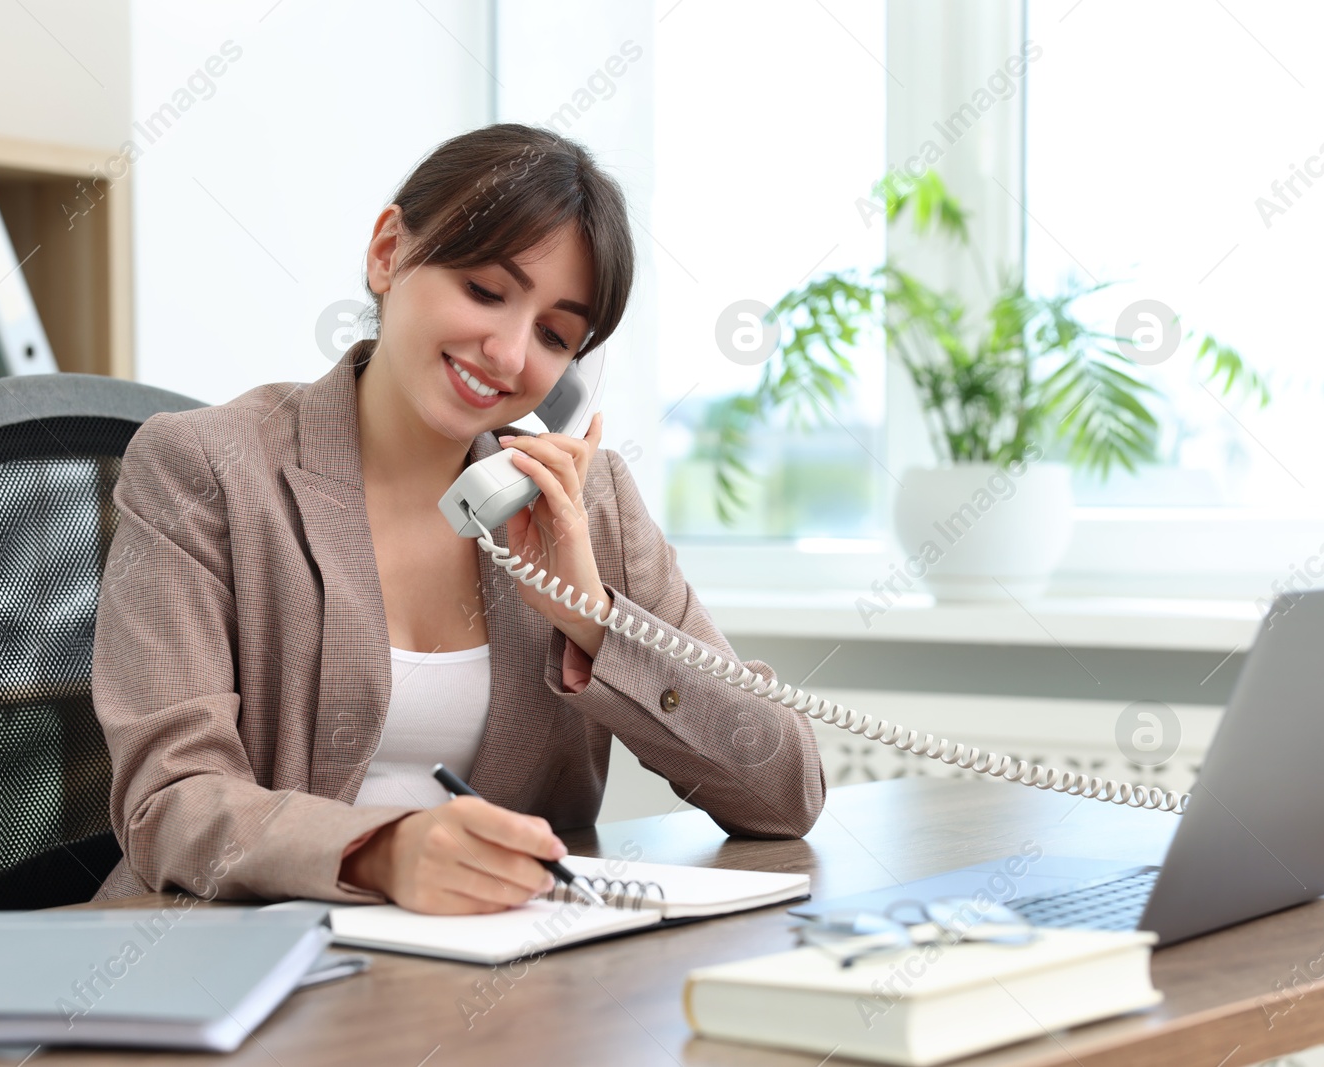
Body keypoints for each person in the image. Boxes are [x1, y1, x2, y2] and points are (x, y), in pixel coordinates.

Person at [90, 123, 826, 915]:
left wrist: (597, 620)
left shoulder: (586, 503)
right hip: (244, 975)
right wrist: (379, 852)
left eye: (554, 335)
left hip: (491, 981)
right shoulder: (205, 469)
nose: (510, 355)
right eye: (484, 291)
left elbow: (785, 794)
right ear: (388, 253)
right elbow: (168, 799)